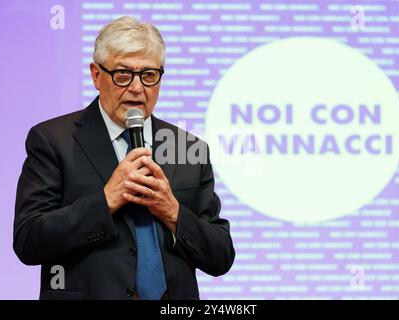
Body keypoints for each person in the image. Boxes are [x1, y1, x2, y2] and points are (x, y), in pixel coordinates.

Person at [13, 16, 235, 300]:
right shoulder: (53, 140)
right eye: (122, 74)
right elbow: (29, 240)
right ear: (96, 75)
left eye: (149, 75)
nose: (137, 88)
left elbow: (221, 257)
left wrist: (172, 211)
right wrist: (106, 200)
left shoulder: (189, 148)